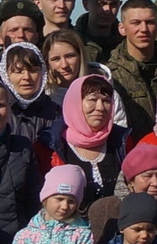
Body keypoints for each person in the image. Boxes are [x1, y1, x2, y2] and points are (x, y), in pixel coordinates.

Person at [104, 0, 157, 135]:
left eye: (150, 22)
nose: (143, 29)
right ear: (122, 29)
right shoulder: (111, 76)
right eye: (136, 23)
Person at [45, 72, 129, 203]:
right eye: (92, 100)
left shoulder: (122, 141)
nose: (100, 108)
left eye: (106, 101)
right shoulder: (51, 145)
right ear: (75, 103)